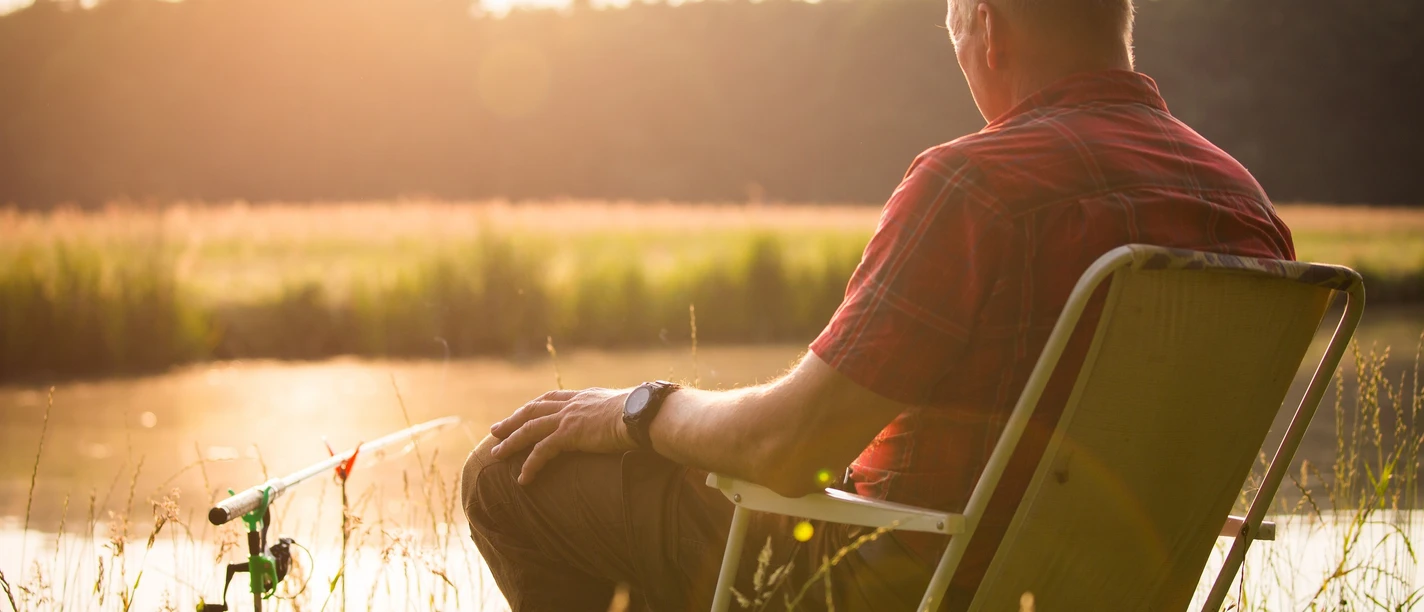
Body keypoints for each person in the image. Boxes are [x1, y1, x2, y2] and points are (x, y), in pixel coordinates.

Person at [461, 0, 1296, 609]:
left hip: (908, 586)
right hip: (1121, 586)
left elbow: (789, 448)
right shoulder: (1247, 210)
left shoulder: (976, 186)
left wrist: (638, 411)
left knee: (507, 478)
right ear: (1118, 23)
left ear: (987, 28)